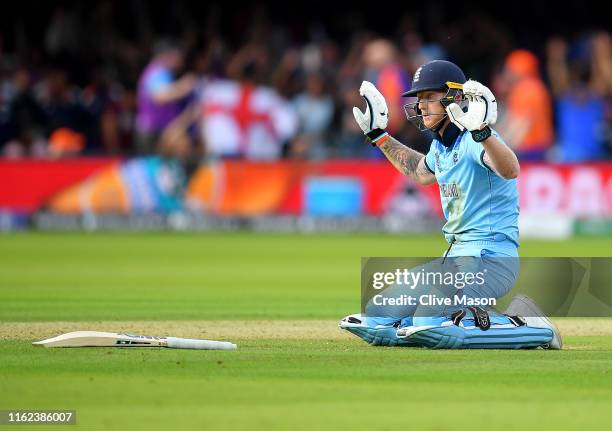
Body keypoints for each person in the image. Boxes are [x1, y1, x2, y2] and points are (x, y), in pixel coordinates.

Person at [339, 60, 562, 349]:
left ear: (454, 98)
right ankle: (434, 324)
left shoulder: (476, 138)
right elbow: (419, 171)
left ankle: (532, 325)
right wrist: (379, 137)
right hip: (454, 260)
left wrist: (482, 132)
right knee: (379, 317)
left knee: (428, 322)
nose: (421, 106)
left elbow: (510, 169)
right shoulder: (441, 146)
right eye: (419, 100)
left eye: (429, 98)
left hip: (491, 259)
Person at [135, 40, 196, 154]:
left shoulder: (159, 71)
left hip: (157, 133)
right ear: (169, 55)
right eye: (178, 55)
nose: (181, 59)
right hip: (154, 134)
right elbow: (159, 96)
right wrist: (185, 86)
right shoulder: (158, 71)